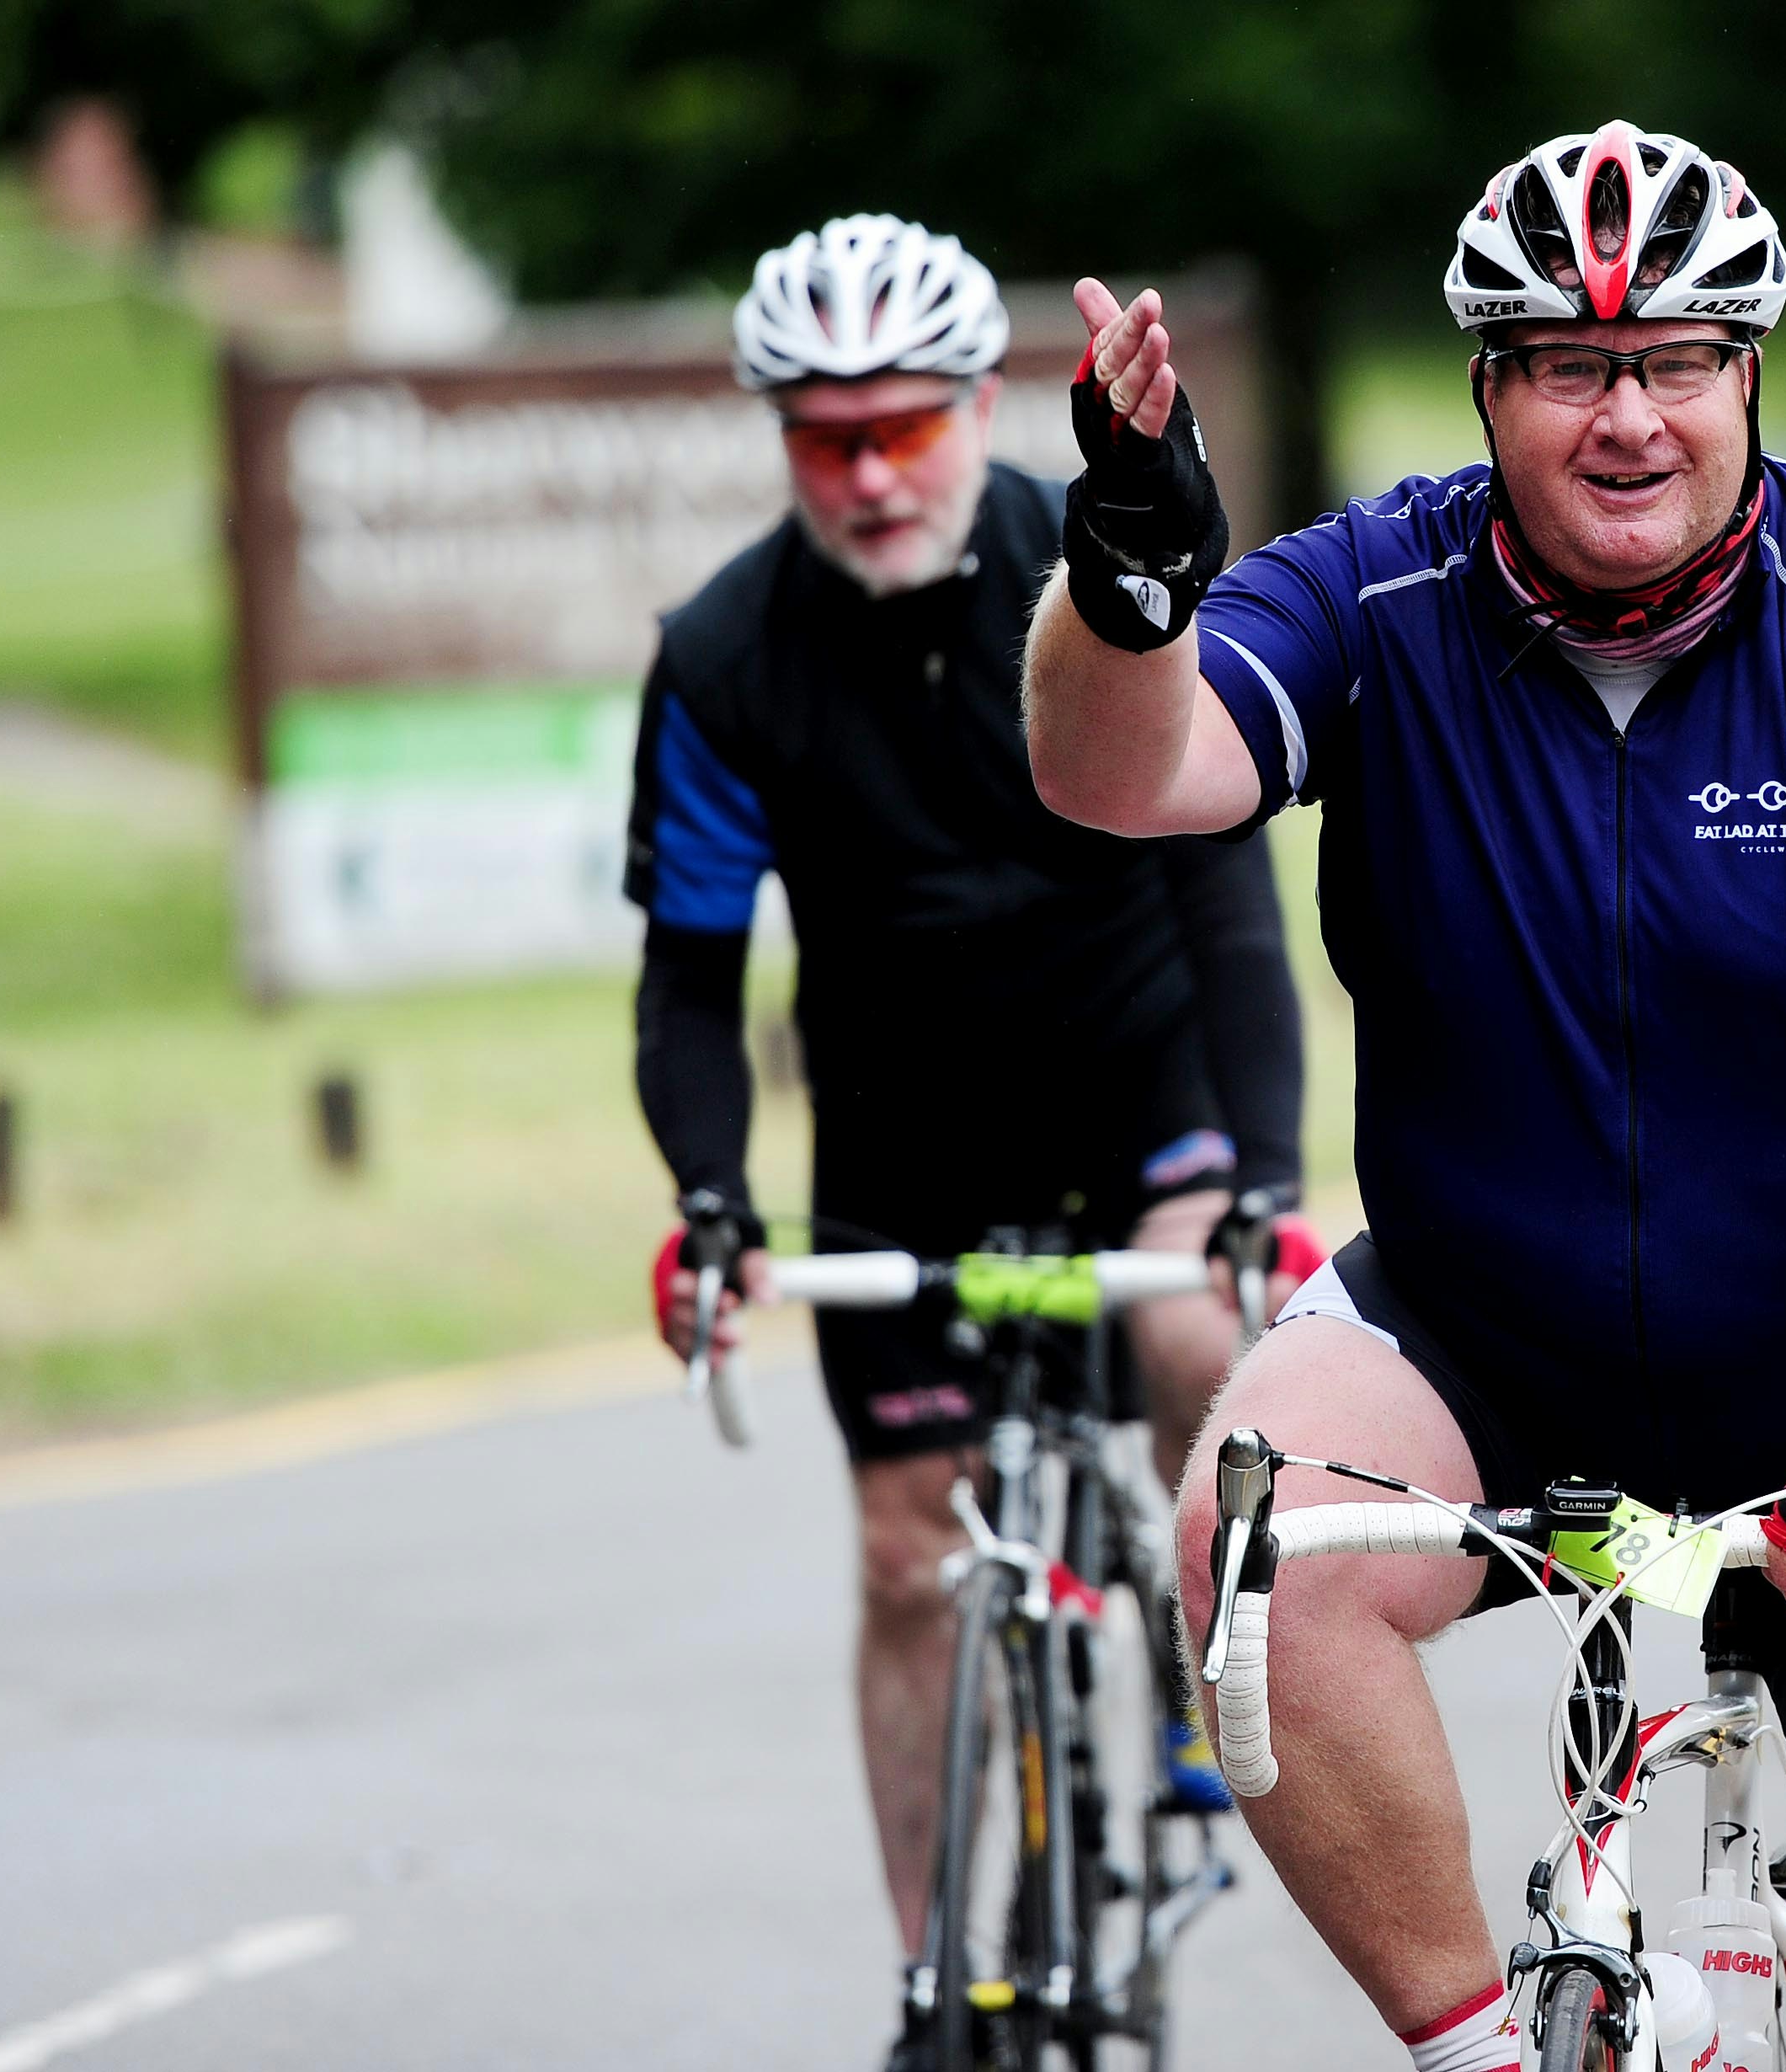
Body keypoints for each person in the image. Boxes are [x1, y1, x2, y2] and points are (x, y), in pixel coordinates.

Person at [1021, 122, 1786, 2072]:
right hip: (1490, 1316)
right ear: (1489, 388)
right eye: (1569, 365)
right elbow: (1123, 773)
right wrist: (1129, 580)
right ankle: (1482, 2050)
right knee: (1242, 1547)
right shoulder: (1382, 592)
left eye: (1677, 360)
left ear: (1748, 372)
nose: (1629, 417)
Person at [624, 213, 1314, 2069]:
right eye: (823, 436)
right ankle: (935, 1981)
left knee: (1192, 1340)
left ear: (978, 407)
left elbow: (1232, 906)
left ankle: (1192, 1669)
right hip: (903, 1132)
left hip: (1139, 1078)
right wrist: (713, 1198)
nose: (867, 475)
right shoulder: (719, 657)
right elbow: (692, 979)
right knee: (902, 1548)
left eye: (905, 428)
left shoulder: (1078, 565)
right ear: (779, 436)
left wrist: (1262, 1180)